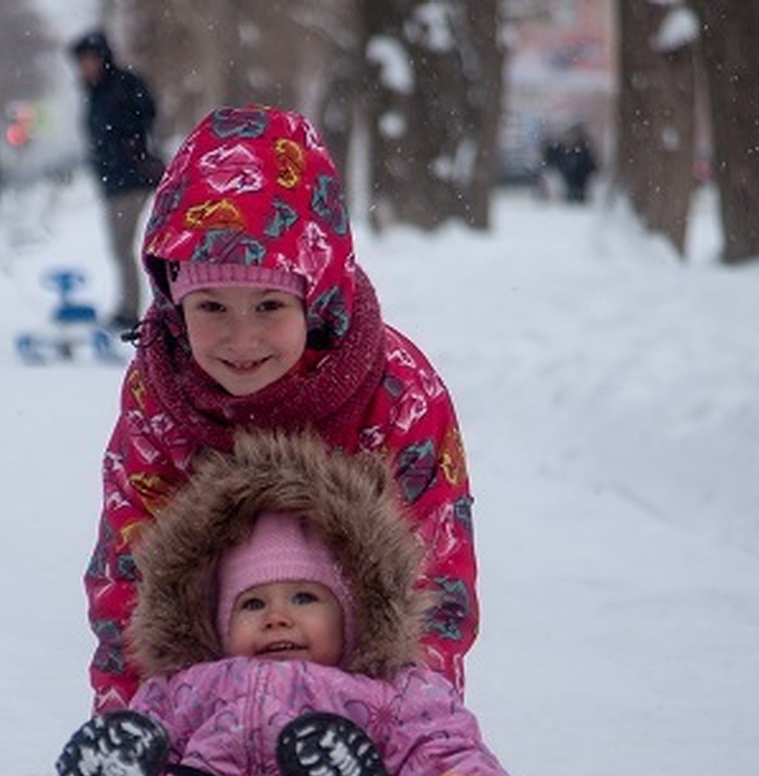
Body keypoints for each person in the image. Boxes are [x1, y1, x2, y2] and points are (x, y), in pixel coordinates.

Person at [84, 105, 477, 716]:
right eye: (211, 307)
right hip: (207, 705)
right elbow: (128, 575)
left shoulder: (396, 391)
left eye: (269, 306)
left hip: (359, 713)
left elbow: (435, 581)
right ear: (174, 301)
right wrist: (128, 729)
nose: (242, 341)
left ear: (315, 297)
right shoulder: (159, 396)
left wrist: (417, 729)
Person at [16, 431, 529, 776]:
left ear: (354, 611)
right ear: (217, 621)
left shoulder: (393, 692)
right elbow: (134, 751)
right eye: (252, 604)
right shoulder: (185, 687)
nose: (277, 618)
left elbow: (441, 755)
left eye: (305, 598)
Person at [69, 29, 161, 330]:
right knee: (119, 247)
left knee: (124, 246)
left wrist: (126, 141)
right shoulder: (94, 91)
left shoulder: (121, 85)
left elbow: (146, 115)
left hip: (131, 178)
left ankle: (131, 309)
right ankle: (128, 305)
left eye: (89, 59)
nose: (85, 66)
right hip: (112, 179)